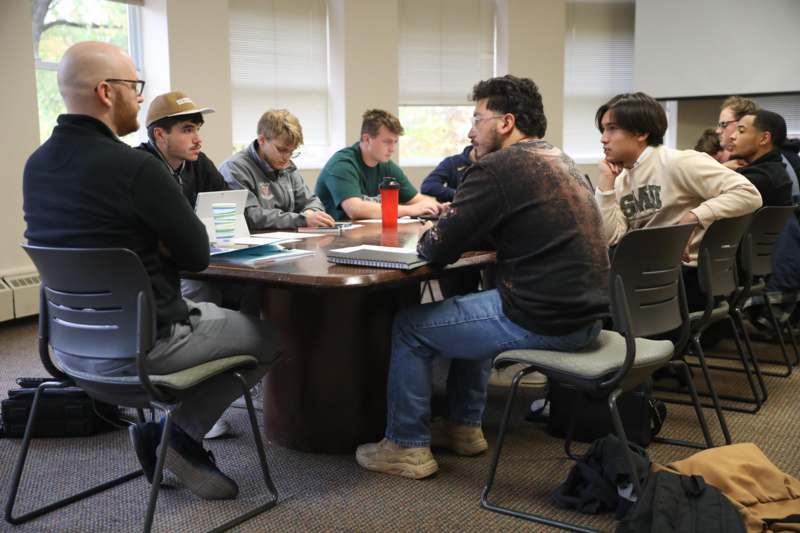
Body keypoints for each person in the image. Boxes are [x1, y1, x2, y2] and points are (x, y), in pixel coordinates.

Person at [22, 41, 282, 501]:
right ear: (107, 92)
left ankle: (164, 435)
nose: (140, 98)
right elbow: (198, 256)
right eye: (134, 87)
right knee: (272, 338)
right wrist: (161, 245)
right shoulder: (137, 168)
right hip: (148, 347)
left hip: (69, 351)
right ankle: (178, 435)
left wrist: (159, 245)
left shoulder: (36, 166)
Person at [355, 75, 610, 479]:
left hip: (543, 320)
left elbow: (435, 250)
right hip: (587, 320)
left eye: (477, 118)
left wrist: (440, 227)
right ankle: (463, 427)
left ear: (506, 122)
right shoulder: (560, 161)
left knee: (410, 327)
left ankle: (405, 446)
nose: (471, 131)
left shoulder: (499, 166)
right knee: (472, 304)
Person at [594, 92, 762, 311]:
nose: (603, 138)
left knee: (590, 301)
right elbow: (611, 238)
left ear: (641, 132)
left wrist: (695, 216)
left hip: (683, 281)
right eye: (603, 129)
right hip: (647, 277)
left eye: (612, 128)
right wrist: (606, 185)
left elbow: (749, 193)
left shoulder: (679, 162)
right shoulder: (621, 179)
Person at [315, 109, 444, 221]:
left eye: (395, 142)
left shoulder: (386, 166)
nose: (392, 149)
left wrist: (439, 207)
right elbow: (355, 209)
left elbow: (416, 199)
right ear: (366, 139)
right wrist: (411, 210)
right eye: (387, 142)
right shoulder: (342, 164)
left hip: (368, 236)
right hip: (335, 240)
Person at [219, 109, 334, 230]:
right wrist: (301, 220)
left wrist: (310, 213)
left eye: (292, 151)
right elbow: (250, 216)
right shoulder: (234, 168)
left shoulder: (287, 166)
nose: (287, 157)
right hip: (255, 244)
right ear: (262, 140)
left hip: (289, 242)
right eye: (281, 150)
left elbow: (311, 201)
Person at [729, 110, 793, 206]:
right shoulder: (774, 170)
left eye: (741, 131)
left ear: (764, 139)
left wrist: (722, 169)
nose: (732, 136)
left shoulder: (760, 178)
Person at [716, 96, 760, 165]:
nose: (718, 131)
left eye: (723, 124)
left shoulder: (761, 169)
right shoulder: (734, 161)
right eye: (719, 125)